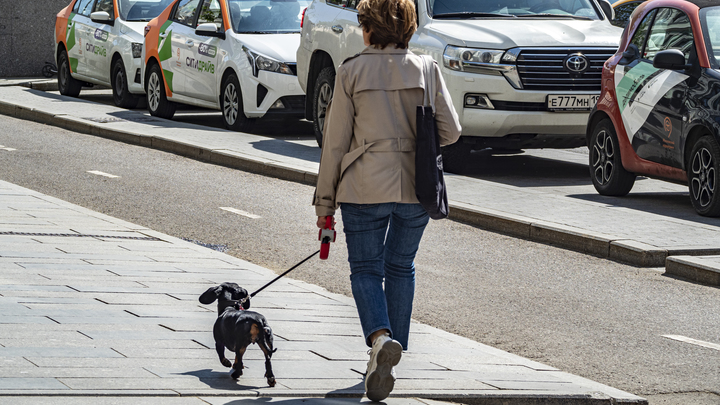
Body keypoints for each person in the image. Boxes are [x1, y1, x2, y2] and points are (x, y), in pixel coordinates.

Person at [312, 0, 461, 400]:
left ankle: (380, 340)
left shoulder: (351, 72)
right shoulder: (427, 69)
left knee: (364, 268)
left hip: (363, 187)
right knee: (401, 265)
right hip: (417, 187)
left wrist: (325, 205)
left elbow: (334, 144)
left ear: (369, 28)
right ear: (408, 27)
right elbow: (452, 131)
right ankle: (390, 350)